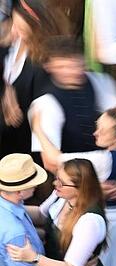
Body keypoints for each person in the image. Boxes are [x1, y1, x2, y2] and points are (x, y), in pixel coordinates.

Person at [34, 102, 116, 266]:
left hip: (115, 222)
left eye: (103, 131)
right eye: (98, 126)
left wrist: (37, 128)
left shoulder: (102, 161)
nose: (95, 133)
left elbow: (52, 161)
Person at [29, 37, 116, 161]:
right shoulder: (45, 104)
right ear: (49, 67)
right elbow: (50, 162)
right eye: (63, 67)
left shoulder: (101, 81)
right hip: (73, 175)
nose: (73, 71)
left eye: (76, 64)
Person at [0, 0, 63, 156]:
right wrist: (6, 90)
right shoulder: (8, 46)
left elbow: (40, 109)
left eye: (21, 29)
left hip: (19, 146)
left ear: (36, 28)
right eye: (13, 22)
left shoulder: (42, 63)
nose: (13, 30)